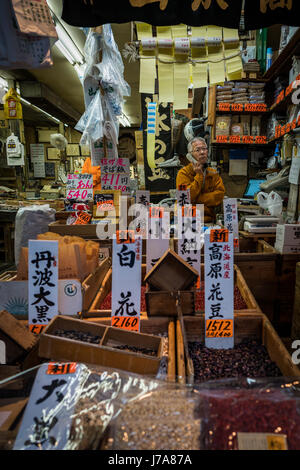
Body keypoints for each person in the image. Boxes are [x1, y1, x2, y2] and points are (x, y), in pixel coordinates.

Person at [176, 137, 225, 223]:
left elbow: (219, 196)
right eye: (197, 150)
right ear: (190, 155)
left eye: (204, 149)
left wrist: (196, 200)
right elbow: (185, 198)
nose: (202, 152)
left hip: (208, 220)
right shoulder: (183, 173)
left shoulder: (213, 173)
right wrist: (199, 175)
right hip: (188, 220)